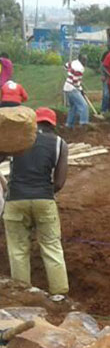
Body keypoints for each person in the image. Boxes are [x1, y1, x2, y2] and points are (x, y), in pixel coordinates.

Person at [1, 108, 69, 298]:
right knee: (51, 247)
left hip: (15, 200)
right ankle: (59, 295)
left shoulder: (17, 140)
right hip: (44, 199)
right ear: (53, 125)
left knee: (18, 250)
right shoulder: (59, 143)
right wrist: (43, 193)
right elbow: (60, 182)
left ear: (34, 123)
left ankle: (23, 294)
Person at [64, 54, 89, 129]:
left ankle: (69, 124)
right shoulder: (80, 68)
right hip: (72, 88)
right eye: (84, 60)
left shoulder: (74, 62)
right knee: (84, 106)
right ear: (80, 60)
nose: (85, 62)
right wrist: (80, 89)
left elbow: (65, 66)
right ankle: (83, 123)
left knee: (74, 107)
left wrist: (69, 73)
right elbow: (75, 82)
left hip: (67, 87)